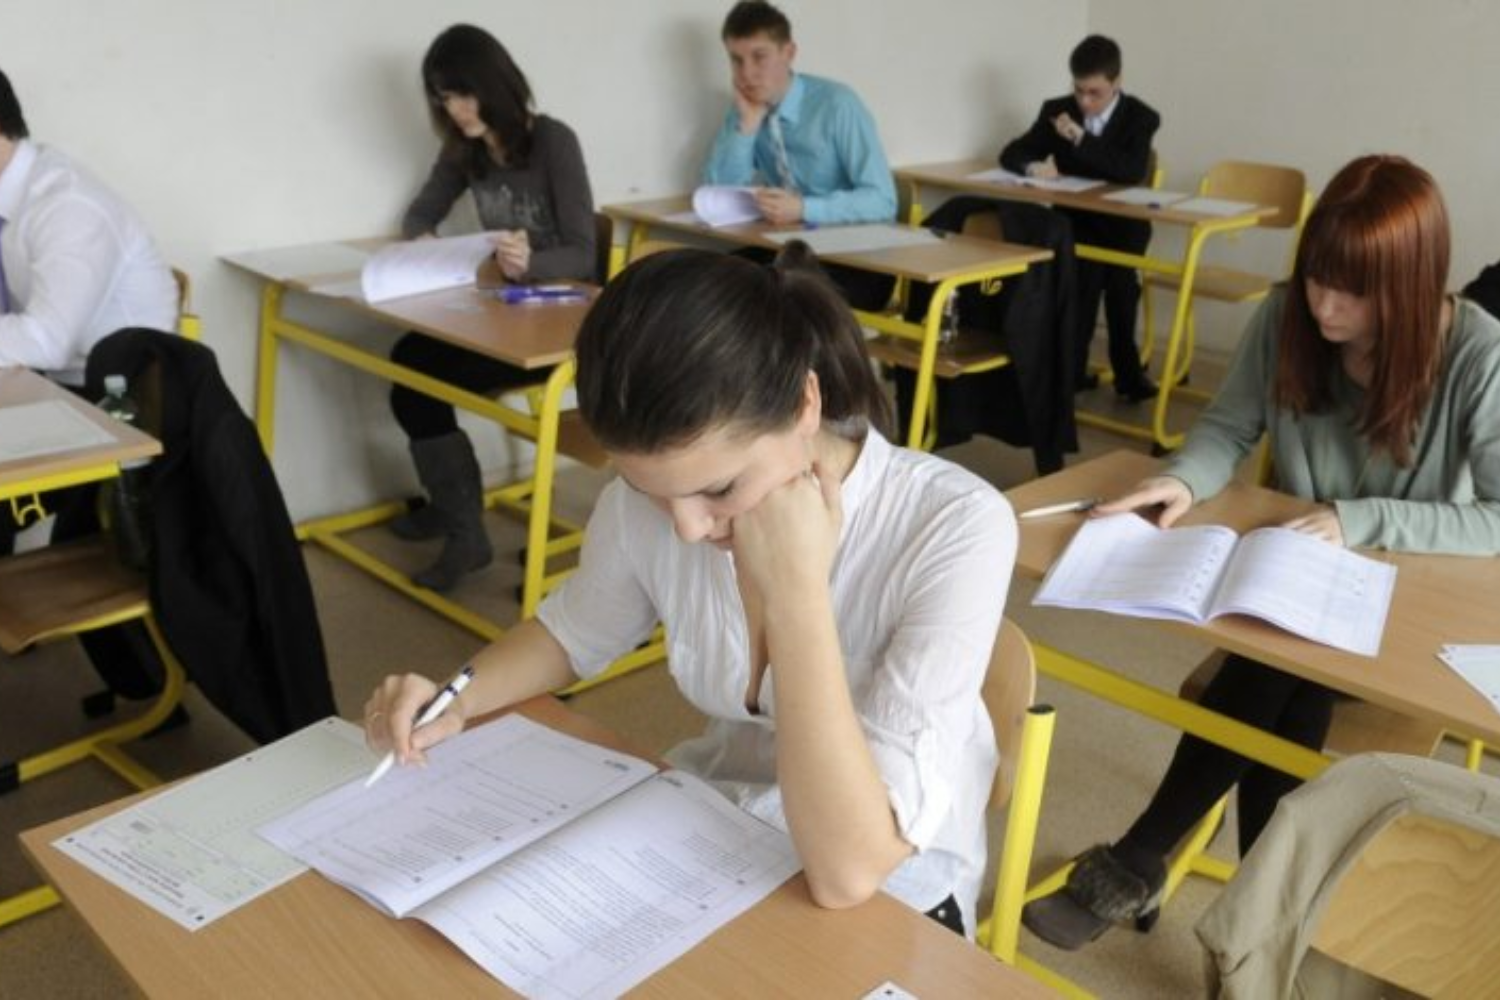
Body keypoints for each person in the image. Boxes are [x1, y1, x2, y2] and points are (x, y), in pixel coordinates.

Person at [364, 246, 1018, 938]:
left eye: (721, 488)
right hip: (716, 828)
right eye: (648, 490)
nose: (685, 527)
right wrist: (455, 700)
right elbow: (572, 634)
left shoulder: (954, 523)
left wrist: (796, 592)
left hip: (891, 887)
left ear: (805, 404)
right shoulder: (656, 503)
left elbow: (850, 872)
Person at [1022, 155, 1500, 951]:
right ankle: (1261, 918)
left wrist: (1356, 519)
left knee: (1272, 670)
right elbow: (1227, 426)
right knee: (1281, 661)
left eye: (1351, 291)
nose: (1323, 304)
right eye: (1316, 278)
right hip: (1304, 575)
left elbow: (1497, 515)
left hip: (1405, 596)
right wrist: (1183, 479)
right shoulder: (1287, 317)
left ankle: (1147, 854)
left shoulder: (1477, 352)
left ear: (1410, 286)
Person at [387, 24, 596, 591]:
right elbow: (419, 213)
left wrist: (532, 260)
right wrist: (425, 241)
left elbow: (584, 251)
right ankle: (457, 514)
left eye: (463, 94)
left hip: (557, 324)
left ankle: (461, 527)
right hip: (504, 311)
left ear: (494, 85)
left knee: (418, 381)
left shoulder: (553, 141)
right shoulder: (466, 149)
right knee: (406, 363)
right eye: (444, 98)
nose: (455, 110)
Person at [701, 0, 896, 309]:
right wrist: (747, 126)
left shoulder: (837, 104)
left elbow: (883, 201)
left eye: (759, 57)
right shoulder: (745, 107)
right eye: (736, 60)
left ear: (789, 53)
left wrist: (804, 209)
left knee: (766, 301)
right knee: (709, 282)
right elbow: (716, 195)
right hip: (788, 251)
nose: (747, 73)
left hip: (857, 261)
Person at [999, 35, 1160, 402]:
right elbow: (1012, 151)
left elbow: (1129, 170)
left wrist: (1081, 139)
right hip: (1076, 223)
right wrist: (1032, 166)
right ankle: (1071, 374)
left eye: (1094, 93)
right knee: (1077, 300)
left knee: (1121, 300)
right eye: (1079, 90)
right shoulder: (1058, 110)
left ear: (1116, 82)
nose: (1085, 101)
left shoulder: (1141, 117)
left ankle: (1129, 375)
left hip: (1122, 227)